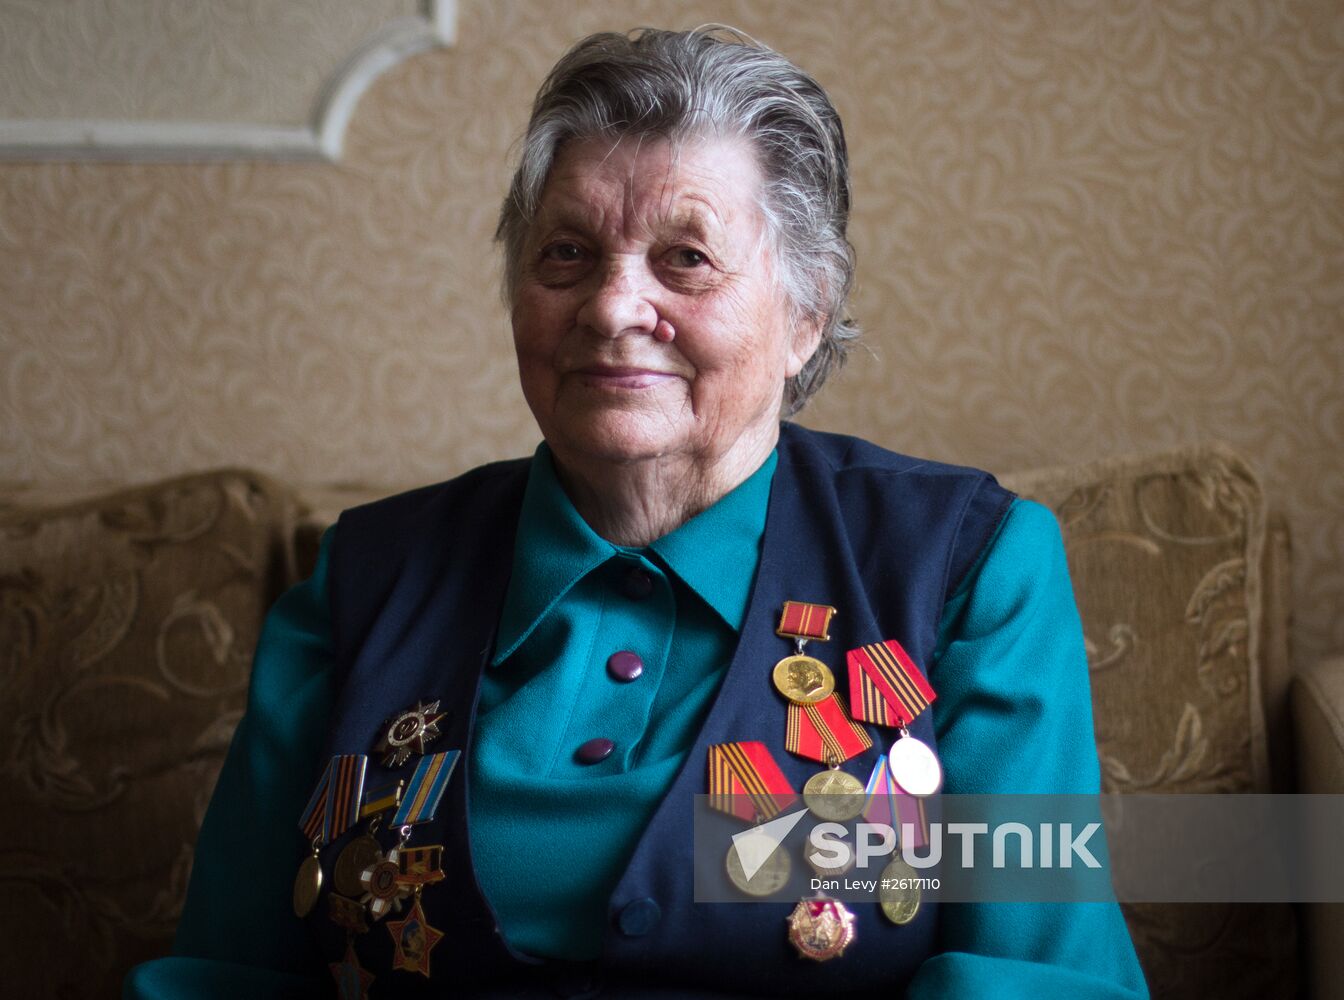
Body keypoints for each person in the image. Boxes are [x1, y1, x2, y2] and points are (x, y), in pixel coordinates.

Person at [125, 25, 1148, 999]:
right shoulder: (361, 584)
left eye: (686, 258)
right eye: (565, 253)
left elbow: (1043, 973)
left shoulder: (964, 570)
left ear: (805, 316)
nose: (613, 308)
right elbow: (232, 972)